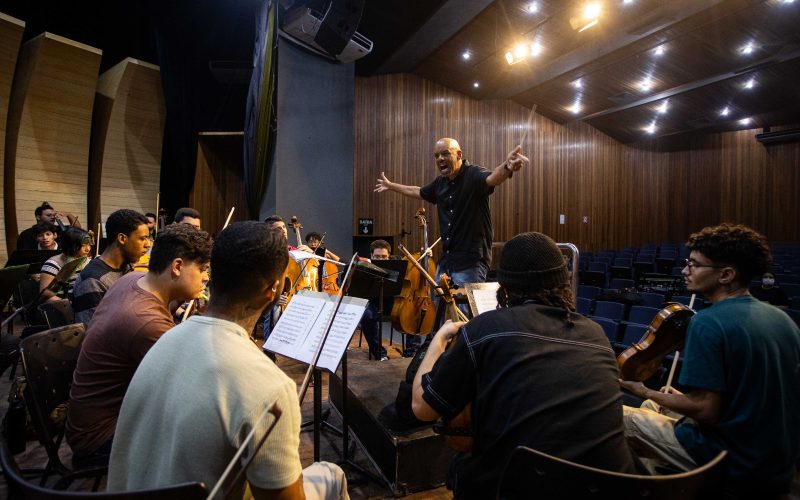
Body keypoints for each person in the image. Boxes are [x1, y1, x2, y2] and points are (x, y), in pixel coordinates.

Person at [108, 221, 348, 500]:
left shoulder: (164, 341)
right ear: (275, 288)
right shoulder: (270, 387)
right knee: (332, 473)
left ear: (212, 274)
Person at [411, 232, 635, 499]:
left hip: (518, 488)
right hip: (608, 488)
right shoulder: (597, 334)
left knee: (464, 468)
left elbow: (422, 409)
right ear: (563, 282)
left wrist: (437, 341)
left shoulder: (487, 328)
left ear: (503, 287)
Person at [620, 223, 800, 497]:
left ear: (726, 275)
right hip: (773, 458)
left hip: (729, 458)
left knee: (620, 415)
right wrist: (662, 397)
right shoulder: (783, 320)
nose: (684, 270)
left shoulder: (707, 323)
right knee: (650, 405)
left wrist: (644, 389)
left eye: (694, 264)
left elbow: (705, 410)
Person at [66, 224, 212, 459]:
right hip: (100, 436)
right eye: (203, 269)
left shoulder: (132, 279)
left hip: (88, 418)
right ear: (177, 266)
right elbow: (191, 384)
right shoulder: (146, 323)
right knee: (206, 430)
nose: (206, 277)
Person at [375, 138, 528, 287]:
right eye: (437, 156)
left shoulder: (473, 174)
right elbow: (417, 191)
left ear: (459, 155)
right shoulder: (440, 183)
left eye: (445, 154)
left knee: (464, 311)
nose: (440, 159)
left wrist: (507, 167)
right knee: (439, 309)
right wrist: (391, 185)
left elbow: (492, 178)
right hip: (446, 262)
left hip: (470, 263)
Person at [72, 209, 151, 325]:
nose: (148, 245)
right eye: (142, 238)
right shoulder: (93, 280)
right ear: (122, 239)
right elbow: (94, 332)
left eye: (149, 238)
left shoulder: (126, 266)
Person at [39, 227, 93, 302]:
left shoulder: (88, 261)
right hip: (64, 306)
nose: (87, 249)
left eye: (89, 245)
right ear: (71, 245)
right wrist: (69, 306)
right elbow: (46, 296)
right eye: (83, 245)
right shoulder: (52, 265)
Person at [359, 239, 391, 361]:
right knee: (366, 316)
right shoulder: (365, 267)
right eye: (377, 257)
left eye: (384, 257)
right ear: (371, 256)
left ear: (389, 256)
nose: (381, 260)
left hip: (392, 303)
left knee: (412, 310)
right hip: (373, 303)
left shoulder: (397, 264)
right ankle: (380, 353)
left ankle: (411, 352)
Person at [16, 201, 81, 250]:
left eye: (54, 215)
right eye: (49, 215)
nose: (53, 217)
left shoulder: (59, 229)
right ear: (38, 217)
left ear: (54, 235)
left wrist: (69, 214)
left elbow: (78, 230)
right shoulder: (26, 234)